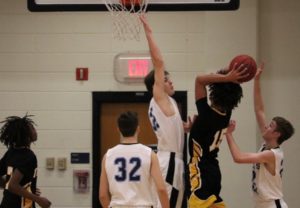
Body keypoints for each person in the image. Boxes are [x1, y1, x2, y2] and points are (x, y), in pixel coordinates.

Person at [224, 64, 295, 208]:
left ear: (276, 134)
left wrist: (228, 134)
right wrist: (256, 80)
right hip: (262, 204)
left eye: (271, 126)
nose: (266, 126)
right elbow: (259, 110)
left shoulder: (272, 154)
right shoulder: (267, 145)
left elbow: (239, 158)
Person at [140, 15, 192, 208]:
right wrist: (149, 32)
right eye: (166, 79)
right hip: (169, 161)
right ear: (158, 85)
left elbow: (169, 129)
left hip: (171, 160)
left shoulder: (166, 103)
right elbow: (159, 62)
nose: (170, 82)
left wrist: (183, 128)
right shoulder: (159, 97)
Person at [188, 65, 247, 208]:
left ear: (215, 90)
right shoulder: (226, 114)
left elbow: (199, 80)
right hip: (214, 170)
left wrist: (227, 78)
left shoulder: (206, 115)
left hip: (200, 168)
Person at [99, 111, 169, 208]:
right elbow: (161, 189)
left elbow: (102, 195)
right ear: (138, 129)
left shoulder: (108, 156)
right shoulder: (149, 154)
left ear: (118, 129)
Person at [0, 115, 52, 208]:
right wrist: (39, 200)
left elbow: (12, 186)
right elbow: (13, 185)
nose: (35, 131)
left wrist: (25, 190)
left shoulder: (11, 152)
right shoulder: (28, 156)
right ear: (26, 134)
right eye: (32, 128)